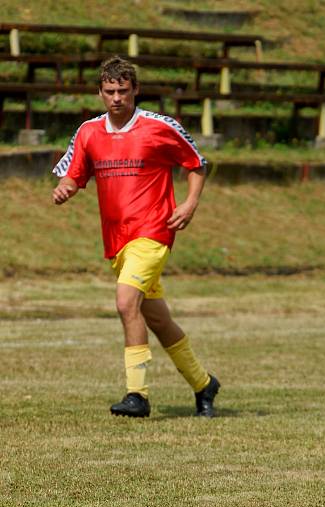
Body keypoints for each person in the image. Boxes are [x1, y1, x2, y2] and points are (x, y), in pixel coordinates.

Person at [52, 56, 221, 418]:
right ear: (100, 92)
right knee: (157, 319)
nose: (116, 98)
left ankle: (137, 395)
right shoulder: (88, 132)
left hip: (154, 231)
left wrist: (189, 205)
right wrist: (65, 188)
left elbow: (197, 164)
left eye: (123, 91)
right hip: (117, 240)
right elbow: (73, 175)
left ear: (135, 90)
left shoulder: (160, 127)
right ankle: (204, 384)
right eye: (110, 92)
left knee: (126, 302)